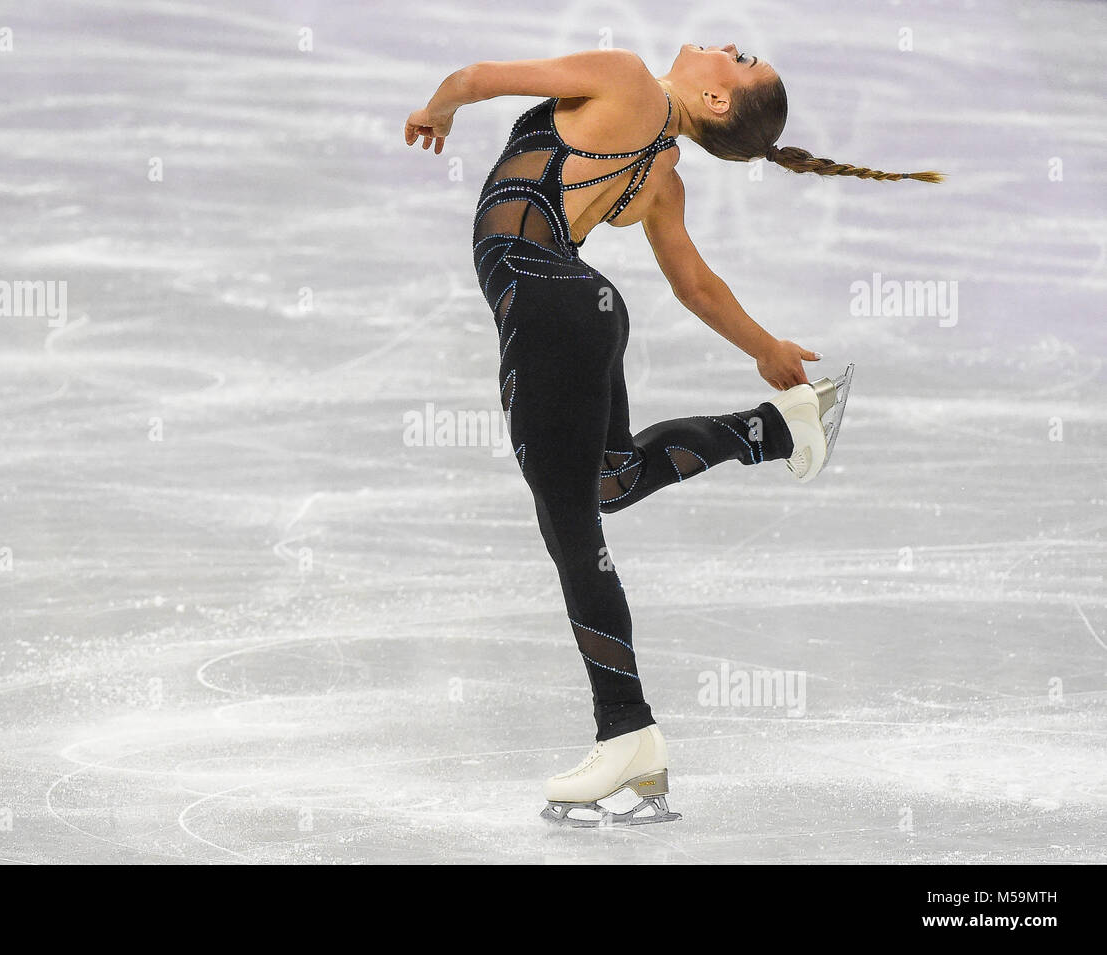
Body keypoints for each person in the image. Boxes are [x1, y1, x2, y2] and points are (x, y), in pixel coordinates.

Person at [404, 45, 942, 826]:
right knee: (608, 482)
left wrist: (438, 109)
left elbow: (480, 78)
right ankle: (776, 430)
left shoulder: (624, 79)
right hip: (580, 306)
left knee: (571, 525)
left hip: (552, 301)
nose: (725, 45)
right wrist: (765, 349)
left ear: (719, 101)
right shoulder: (661, 172)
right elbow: (693, 282)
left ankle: (625, 728)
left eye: (741, 59)